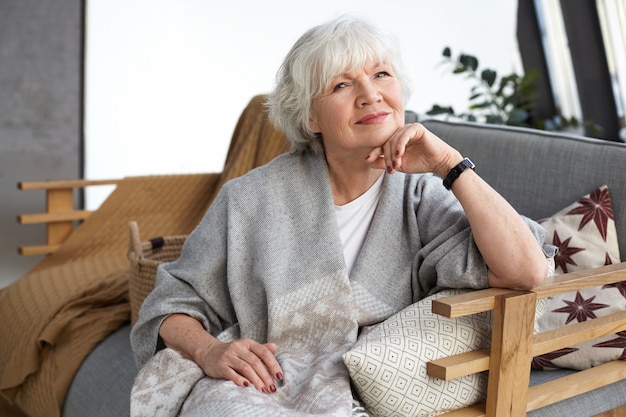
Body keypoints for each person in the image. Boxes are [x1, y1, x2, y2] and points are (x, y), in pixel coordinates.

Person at [130, 14, 553, 416]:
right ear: (310, 117)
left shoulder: (421, 194)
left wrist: (449, 163)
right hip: (262, 380)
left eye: (381, 74)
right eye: (341, 85)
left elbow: (527, 271)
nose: (370, 94)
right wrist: (209, 351)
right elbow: (171, 301)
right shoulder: (249, 199)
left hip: (369, 382)